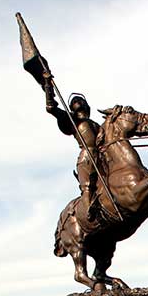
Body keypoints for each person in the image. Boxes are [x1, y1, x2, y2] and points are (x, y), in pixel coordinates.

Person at [44, 81, 100, 221]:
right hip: (87, 156)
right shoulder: (72, 120)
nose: (77, 101)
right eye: (74, 101)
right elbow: (51, 107)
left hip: (102, 156)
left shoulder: (96, 125)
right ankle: (88, 210)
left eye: (80, 99)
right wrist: (47, 84)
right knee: (88, 186)